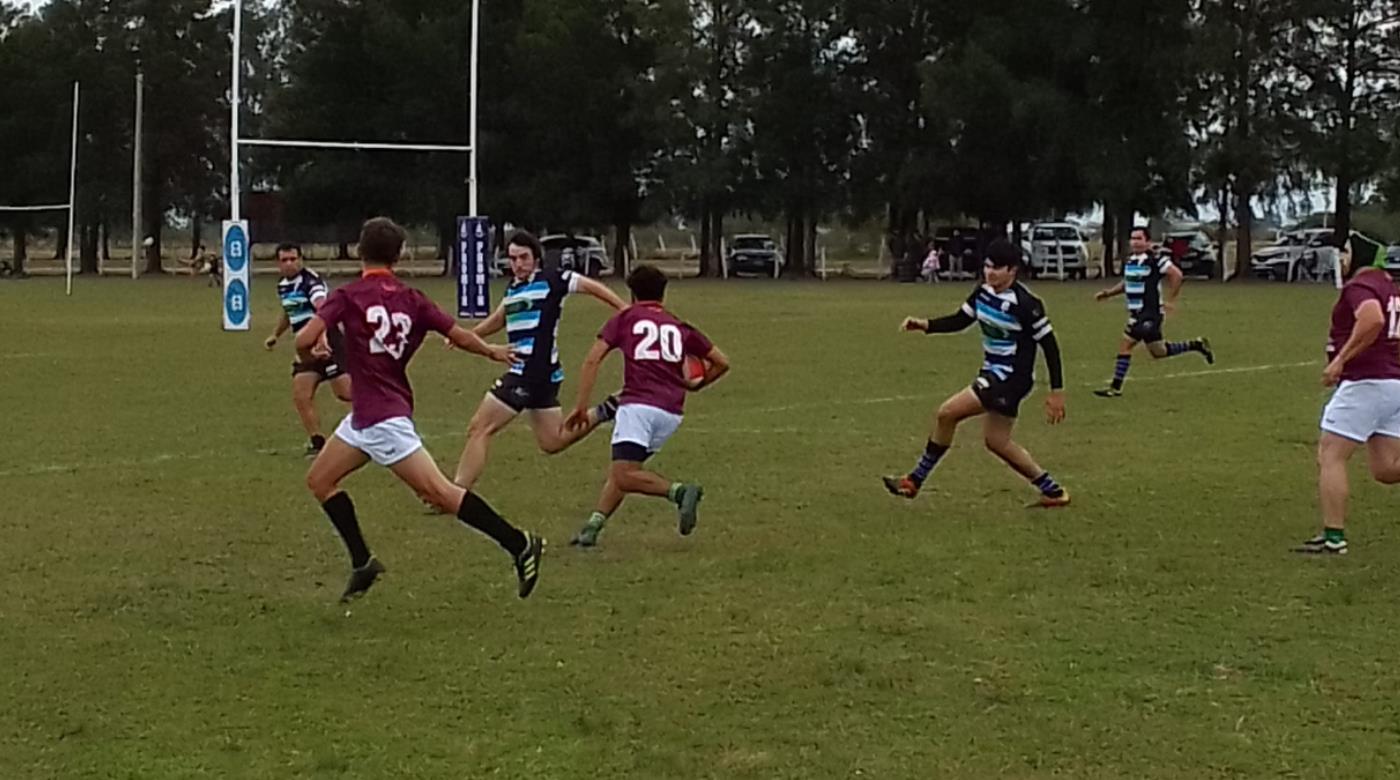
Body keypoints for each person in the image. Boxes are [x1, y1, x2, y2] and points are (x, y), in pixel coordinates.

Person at [296, 217, 544, 601]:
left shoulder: (348, 295)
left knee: (441, 495)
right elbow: (457, 334)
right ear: (397, 255)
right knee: (320, 480)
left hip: (383, 421)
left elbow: (305, 337)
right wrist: (491, 350)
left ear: (361, 251)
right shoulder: (413, 298)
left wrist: (312, 348)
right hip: (366, 417)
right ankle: (363, 562)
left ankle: (519, 544)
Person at [882, 238, 1070, 507]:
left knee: (947, 413)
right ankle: (1053, 491)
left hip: (1009, 379)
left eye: (997, 268)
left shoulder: (1026, 303)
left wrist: (1057, 391)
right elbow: (961, 320)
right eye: (987, 266)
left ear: (1012, 270)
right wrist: (925, 325)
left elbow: (1050, 346)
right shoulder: (982, 292)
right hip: (994, 373)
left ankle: (914, 481)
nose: (990, 272)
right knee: (997, 442)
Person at [449, 230, 628, 492]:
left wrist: (625, 310)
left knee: (480, 427)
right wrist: (468, 336)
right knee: (552, 442)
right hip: (543, 374)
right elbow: (500, 318)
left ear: (536, 258)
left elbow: (592, 286)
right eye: (512, 259)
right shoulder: (515, 287)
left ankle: (454, 493)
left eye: (523, 257)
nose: (518, 264)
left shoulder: (553, 279)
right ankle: (607, 409)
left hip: (529, 370)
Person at [564, 265, 730, 547]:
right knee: (628, 470)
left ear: (632, 293)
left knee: (624, 474)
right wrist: (695, 385)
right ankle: (593, 526)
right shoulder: (678, 325)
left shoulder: (626, 318)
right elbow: (722, 362)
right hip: (671, 413)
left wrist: (581, 406)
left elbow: (593, 359)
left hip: (638, 406)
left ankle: (680, 492)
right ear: (663, 295)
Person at [1295, 242, 1400, 555]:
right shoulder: (1391, 287)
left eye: (1346, 251)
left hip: (1367, 382)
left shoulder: (1362, 285)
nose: (1341, 258)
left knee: (1331, 454)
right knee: (1385, 469)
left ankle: (1333, 538)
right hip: (1394, 383)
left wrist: (1341, 359)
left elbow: (1372, 319)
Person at [1092, 227, 1214, 398]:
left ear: (1147, 241)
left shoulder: (1156, 260)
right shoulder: (1131, 261)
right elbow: (1127, 284)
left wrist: (1171, 300)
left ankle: (1115, 387)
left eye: (1139, 238)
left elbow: (1176, 275)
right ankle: (1196, 344)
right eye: (1132, 238)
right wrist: (1108, 293)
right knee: (1159, 352)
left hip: (1149, 314)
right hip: (1136, 313)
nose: (1135, 241)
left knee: (1126, 344)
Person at [264, 243, 352, 456]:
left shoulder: (310, 282)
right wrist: (276, 334)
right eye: (284, 260)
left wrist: (322, 339)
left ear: (301, 260)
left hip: (327, 340)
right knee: (301, 394)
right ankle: (317, 442)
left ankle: (385, 413)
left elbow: (324, 310)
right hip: (305, 347)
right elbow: (288, 312)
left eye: (293, 259)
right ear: (278, 263)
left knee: (346, 394)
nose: (289, 264)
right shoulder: (283, 285)